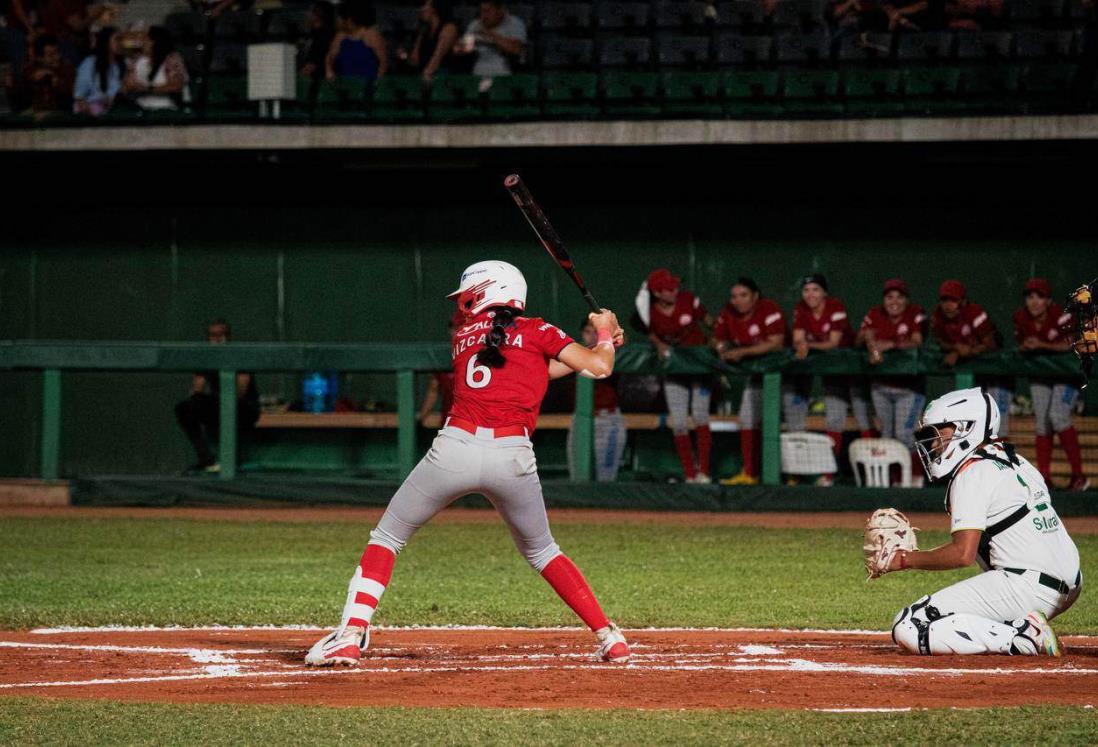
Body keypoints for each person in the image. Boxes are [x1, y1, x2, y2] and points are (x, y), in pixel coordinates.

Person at [305, 260, 632, 667]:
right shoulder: (537, 329)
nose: (462, 304)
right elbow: (594, 369)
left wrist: (602, 345)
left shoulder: (464, 336)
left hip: (454, 450)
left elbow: (539, 369)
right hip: (513, 457)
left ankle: (351, 634)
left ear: (485, 293)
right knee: (544, 552)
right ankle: (609, 637)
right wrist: (603, 336)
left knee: (387, 538)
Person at [881, 387, 1080, 656]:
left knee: (910, 625)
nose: (934, 442)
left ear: (967, 427)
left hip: (1027, 586)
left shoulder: (972, 472)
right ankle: (1020, 626)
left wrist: (904, 559)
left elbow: (962, 554)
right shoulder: (1016, 461)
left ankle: (1023, 637)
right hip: (1068, 583)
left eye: (941, 432)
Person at [785, 273, 871, 486]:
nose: (810, 294)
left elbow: (834, 342)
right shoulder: (801, 309)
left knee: (864, 420)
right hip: (832, 374)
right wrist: (801, 344)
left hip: (853, 370)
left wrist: (808, 346)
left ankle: (874, 476)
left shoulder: (835, 306)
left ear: (824, 292)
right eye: (806, 290)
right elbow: (797, 339)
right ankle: (829, 474)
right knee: (834, 421)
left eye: (815, 289)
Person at [634, 268, 713, 484]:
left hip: (699, 366)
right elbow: (647, 330)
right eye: (669, 288)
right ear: (658, 293)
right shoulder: (649, 311)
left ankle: (704, 472)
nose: (675, 290)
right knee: (678, 421)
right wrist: (659, 344)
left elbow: (710, 322)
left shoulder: (688, 300)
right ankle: (689, 474)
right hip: (674, 370)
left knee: (700, 416)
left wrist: (717, 339)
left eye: (675, 286)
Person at [1013, 278, 1089, 491]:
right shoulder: (1021, 317)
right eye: (1030, 296)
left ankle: (1079, 476)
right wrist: (1026, 347)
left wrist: (1041, 344)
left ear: (1048, 301)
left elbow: (1070, 343)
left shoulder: (1062, 315)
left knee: (1058, 416)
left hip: (1068, 376)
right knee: (1041, 424)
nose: (1034, 301)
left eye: (1040, 297)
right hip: (1041, 376)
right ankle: (1044, 478)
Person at [712, 277, 786, 486]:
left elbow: (776, 343)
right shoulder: (729, 311)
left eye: (743, 295)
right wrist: (721, 347)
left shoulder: (768, 308)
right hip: (756, 378)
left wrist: (741, 352)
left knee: (788, 422)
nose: (738, 300)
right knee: (746, 418)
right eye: (734, 296)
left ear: (755, 296)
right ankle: (750, 473)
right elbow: (716, 339)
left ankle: (792, 476)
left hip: (784, 377)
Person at [858, 277, 927, 484]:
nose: (894, 301)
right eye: (889, 297)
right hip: (881, 386)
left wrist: (888, 344)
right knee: (887, 436)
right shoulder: (875, 314)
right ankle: (893, 482)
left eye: (899, 296)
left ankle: (915, 479)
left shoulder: (915, 313)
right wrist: (870, 342)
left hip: (910, 388)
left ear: (906, 300)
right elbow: (859, 338)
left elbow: (917, 341)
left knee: (905, 435)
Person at [174, 319, 260, 473]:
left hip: (245, 409)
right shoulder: (205, 359)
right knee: (184, 408)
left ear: (229, 337)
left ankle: (233, 462)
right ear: (208, 338)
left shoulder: (241, 356)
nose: (218, 338)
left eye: (222, 334)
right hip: (218, 405)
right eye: (214, 335)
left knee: (228, 406)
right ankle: (206, 459)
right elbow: (197, 390)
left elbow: (240, 392)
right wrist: (198, 400)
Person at [931, 279, 1011, 435]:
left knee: (998, 426)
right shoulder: (938, 316)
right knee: (970, 424)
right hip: (972, 377)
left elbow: (991, 343)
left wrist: (968, 350)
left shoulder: (974, 312)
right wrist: (957, 349)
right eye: (944, 300)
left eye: (953, 300)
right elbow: (941, 342)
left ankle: (1003, 458)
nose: (948, 304)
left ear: (963, 301)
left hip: (997, 374)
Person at [567, 316, 627, 482]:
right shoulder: (572, 352)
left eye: (596, 333)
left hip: (608, 420)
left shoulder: (612, 353)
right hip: (580, 420)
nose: (591, 337)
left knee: (606, 478)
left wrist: (611, 335)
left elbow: (621, 344)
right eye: (587, 332)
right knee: (578, 476)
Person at [121, 25, 188, 110]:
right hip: (140, 106)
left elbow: (176, 86)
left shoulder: (171, 59)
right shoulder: (138, 60)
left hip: (167, 108)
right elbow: (128, 85)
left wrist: (147, 89)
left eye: (145, 38)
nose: (142, 41)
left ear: (154, 42)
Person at [453, 0, 525, 78]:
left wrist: (491, 36)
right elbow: (457, 50)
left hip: (505, 75)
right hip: (478, 74)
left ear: (500, 11)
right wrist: (464, 46)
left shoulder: (514, 23)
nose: (483, 16)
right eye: (482, 11)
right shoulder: (475, 25)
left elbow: (516, 49)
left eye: (487, 11)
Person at [416, 310, 463, 426]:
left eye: (460, 327)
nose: (455, 331)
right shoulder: (444, 357)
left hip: (477, 427)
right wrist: (420, 419)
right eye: (453, 328)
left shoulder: (484, 355)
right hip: (450, 426)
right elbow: (433, 390)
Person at [325, 0, 386, 83]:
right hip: (344, 84)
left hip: (367, 85)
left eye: (339, 17)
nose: (337, 20)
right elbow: (330, 56)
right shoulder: (340, 36)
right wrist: (329, 71)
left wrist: (377, 82)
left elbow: (383, 62)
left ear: (348, 20)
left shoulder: (371, 35)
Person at [17, 32, 75, 114]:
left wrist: (57, 79)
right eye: (51, 54)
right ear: (40, 58)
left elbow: (72, 91)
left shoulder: (67, 67)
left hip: (61, 111)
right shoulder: (31, 68)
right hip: (35, 110)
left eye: (57, 52)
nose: (56, 57)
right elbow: (23, 91)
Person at [72, 25, 121, 115]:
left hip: (111, 111)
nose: (120, 43)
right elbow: (79, 97)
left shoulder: (117, 66)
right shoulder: (89, 63)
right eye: (117, 39)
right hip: (89, 113)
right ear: (106, 42)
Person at [406, 0, 457, 82]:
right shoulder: (424, 30)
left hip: (441, 76)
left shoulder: (448, 28)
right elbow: (414, 59)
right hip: (422, 74)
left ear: (435, 8)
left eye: (425, 5)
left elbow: (437, 57)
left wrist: (427, 73)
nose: (421, 9)